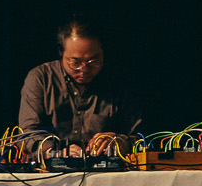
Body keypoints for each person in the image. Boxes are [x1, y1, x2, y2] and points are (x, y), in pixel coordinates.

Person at [17, 17, 144, 153]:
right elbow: (27, 134)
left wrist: (120, 142)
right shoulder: (41, 78)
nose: (84, 70)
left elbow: (140, 138)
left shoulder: (119, 82)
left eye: (93, 61)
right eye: (75, 62)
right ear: (61, 53)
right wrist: (54, 153)